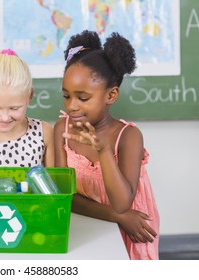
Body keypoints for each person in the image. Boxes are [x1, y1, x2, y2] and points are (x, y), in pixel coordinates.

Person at [54, 30, 159, 260]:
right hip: (87, 227)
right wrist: (117, 216)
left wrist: (103, 151)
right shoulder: (62, 130)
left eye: (82, 98)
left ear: (111, 95)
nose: (72, 106)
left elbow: (122, 203)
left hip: (130, 231)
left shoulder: (129, 136)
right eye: (66, 96)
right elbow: (63, 196)